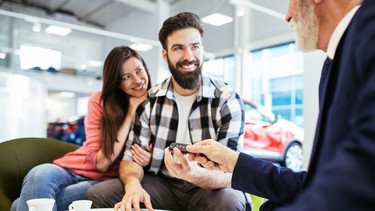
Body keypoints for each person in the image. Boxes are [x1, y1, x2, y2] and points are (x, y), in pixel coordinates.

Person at [187, 0, 375, 210]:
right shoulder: (336, 61)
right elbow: (315, 182)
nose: (287, 16)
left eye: (292, 1)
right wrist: (234, 161)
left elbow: (361, 177)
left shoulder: (368, 29)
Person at [86, 12, 247, 211]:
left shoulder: (226, 100)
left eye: (194, 47)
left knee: (229, 201)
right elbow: (129, 159)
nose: (189, 57)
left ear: (202, 49)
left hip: (209, 185)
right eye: (178, 48)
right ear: (165, 54)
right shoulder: (150, 100)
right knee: (98, 195)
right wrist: (133, 186)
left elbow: (230, 170)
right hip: (164, 185)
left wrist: (193, 175)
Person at [11, 46, 153, 211]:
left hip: (103, 182)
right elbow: (100, 161)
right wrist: (129, 115)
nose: (137, 80)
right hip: (71, 169)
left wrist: (149, 159)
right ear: (117, 83)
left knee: (20, 205)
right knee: (39, 173)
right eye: (126, 77)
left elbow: (106, 167)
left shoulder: (158, 106)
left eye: (139, 71)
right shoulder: (99, 101)